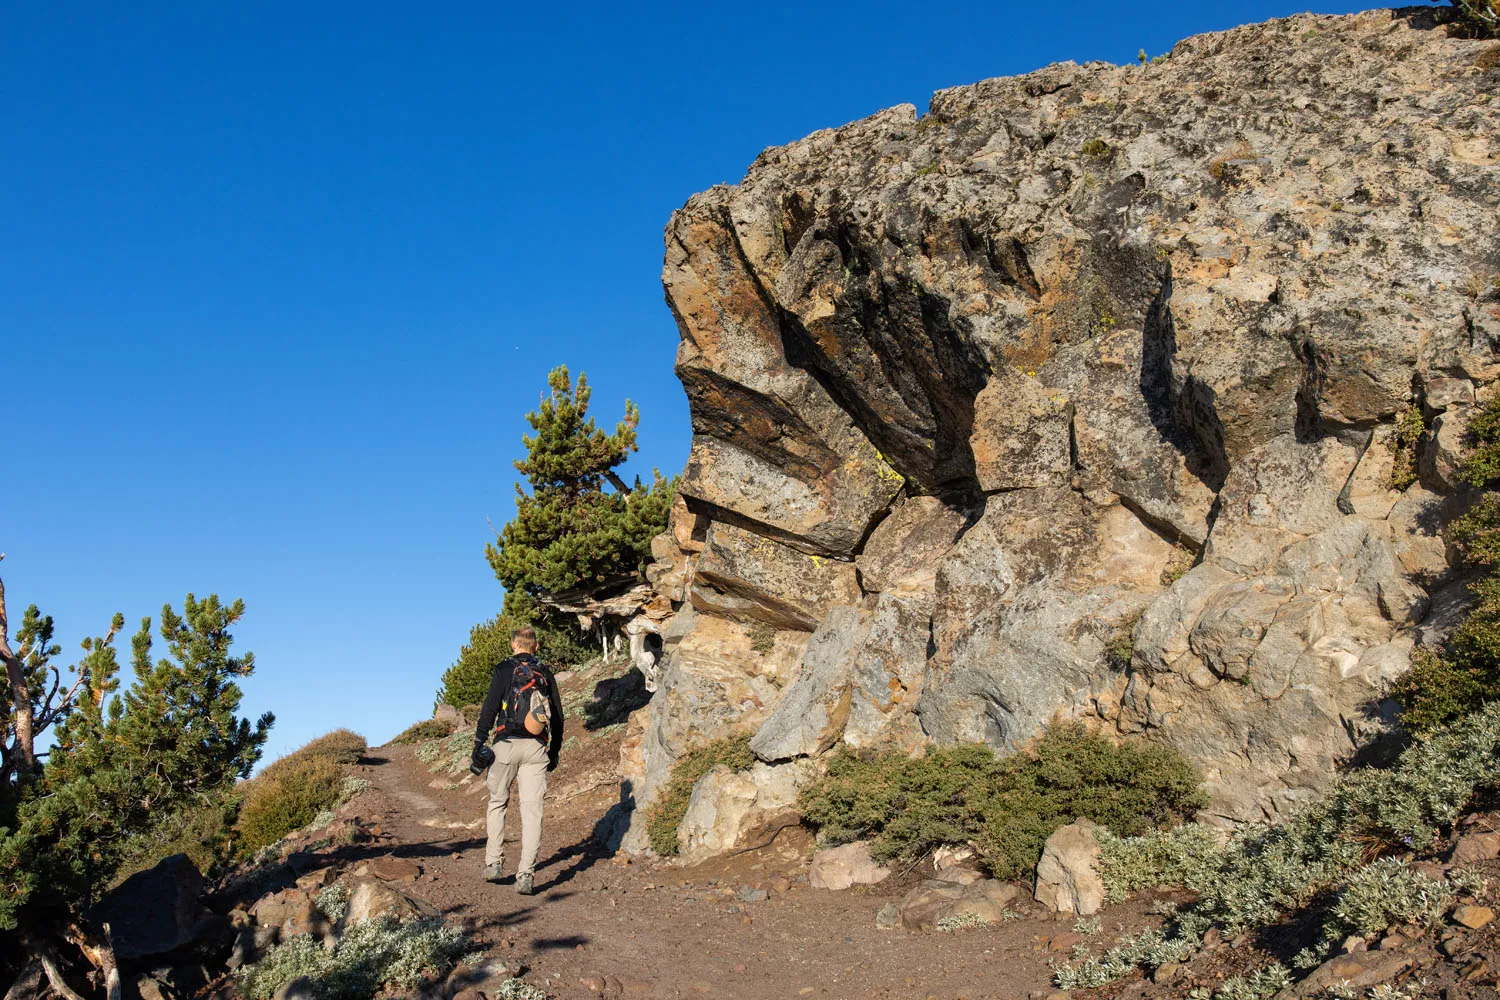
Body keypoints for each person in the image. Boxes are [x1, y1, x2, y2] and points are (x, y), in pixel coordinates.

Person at [470, 626, 564, 895]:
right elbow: (557, 716)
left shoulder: (503, 669)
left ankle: (494, 864)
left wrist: (478, 742)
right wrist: (554, 751)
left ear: (513, 645)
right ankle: (526, 874)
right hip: (536, 749)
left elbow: (489, 708)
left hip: (505, 746)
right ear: (535, 646)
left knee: (498, 802)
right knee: (532, 811)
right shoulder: (545, 672)